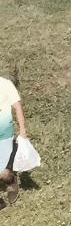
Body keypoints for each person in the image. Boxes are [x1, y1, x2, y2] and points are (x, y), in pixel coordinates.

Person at [0, 73, 31, 207]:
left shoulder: (5, 84)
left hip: (4, 136)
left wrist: (22, 130)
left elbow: (17, 107)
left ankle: (11, 181)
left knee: (3, 173)